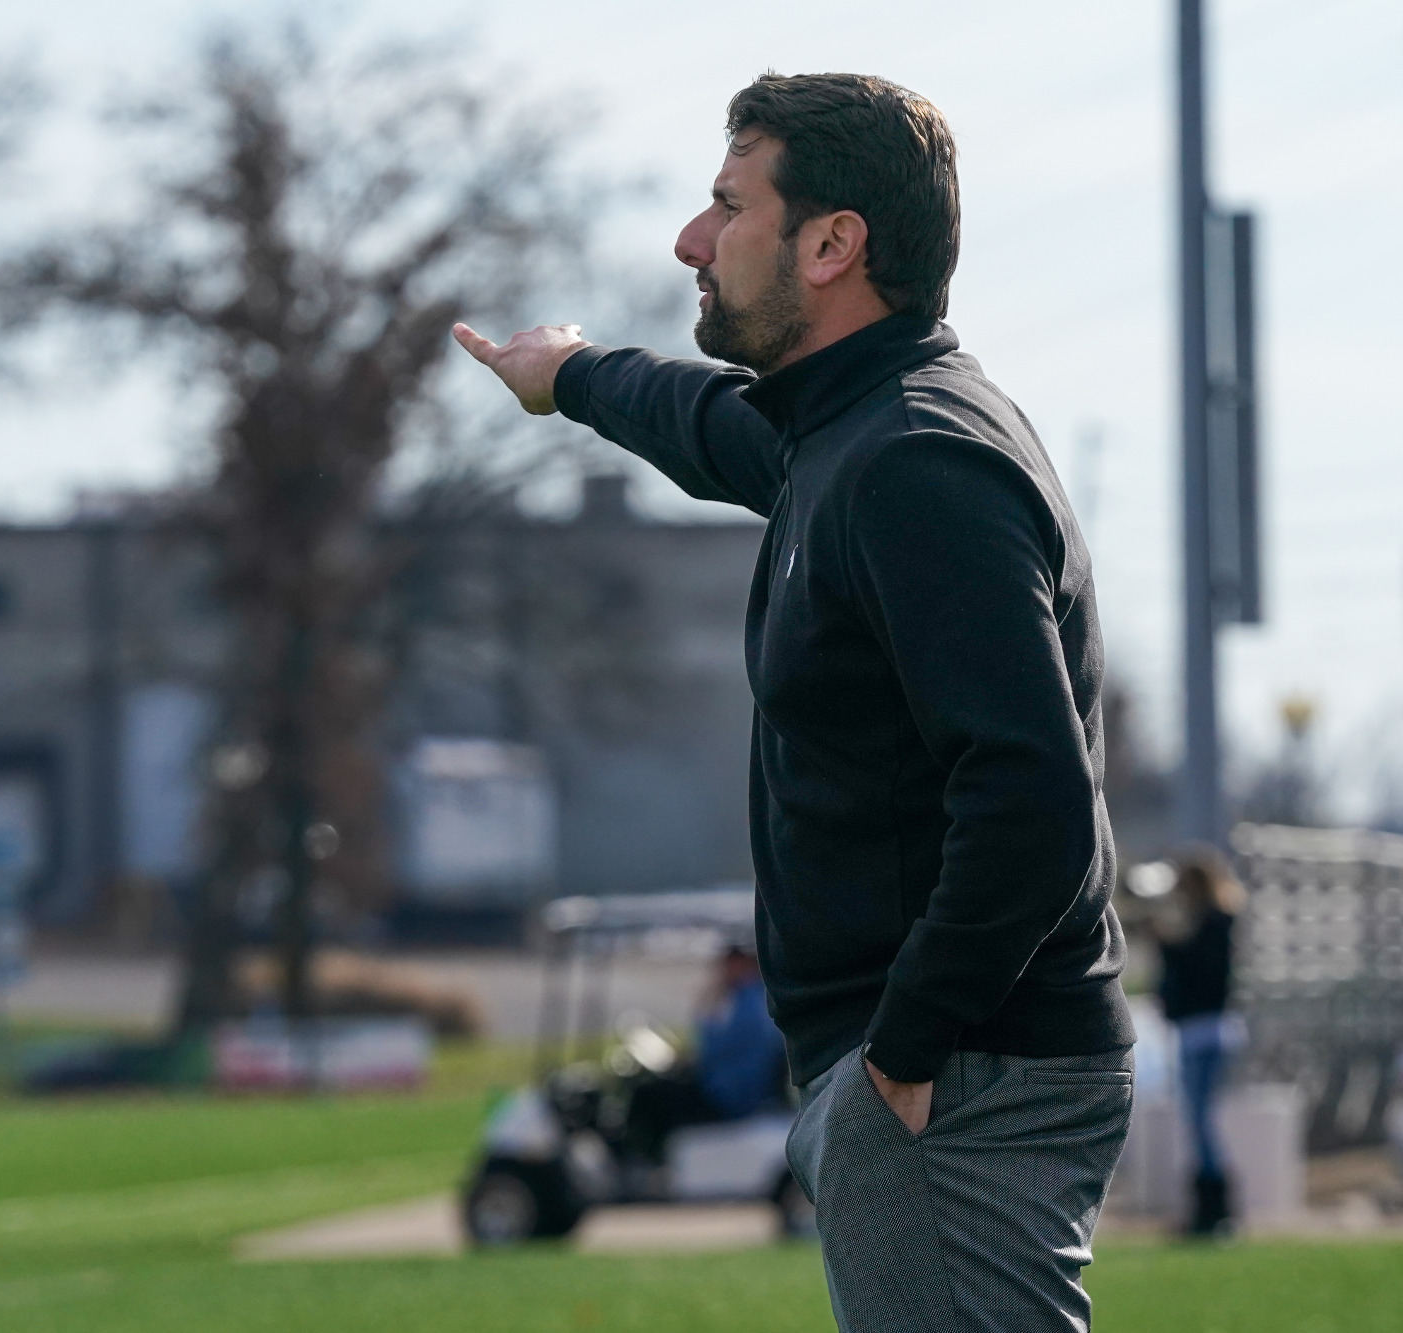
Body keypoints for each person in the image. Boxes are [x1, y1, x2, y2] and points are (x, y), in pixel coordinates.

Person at [457, 72, 1131, 1332]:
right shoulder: (851, 434)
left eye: (726, 206)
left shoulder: (918, 460)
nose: (689, 241)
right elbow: (718, 425)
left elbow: (1033, 798)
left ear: (831, 244)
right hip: (934, 1069)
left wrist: (904, 1045)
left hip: (951, 1074)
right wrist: (574, 375)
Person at [621, 945, 787, 1165]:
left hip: (730, 1095)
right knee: (664, 1091)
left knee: (646, 1095)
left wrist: (708, 999)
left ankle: (644, 1161)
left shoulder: (750, 1003)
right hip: (738, 1088)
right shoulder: (757, 997)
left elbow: (713, 1047)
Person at [1155, 849, 1246, 1237]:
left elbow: (1199, 972)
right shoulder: (1213, 923)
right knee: (1199, 1121)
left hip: (1205, 1031)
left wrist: (1167, 946)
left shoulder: (1216, 924)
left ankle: (1215, 1208)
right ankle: (1209, 1208)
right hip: (1203, 1030)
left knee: (1201, 1122)